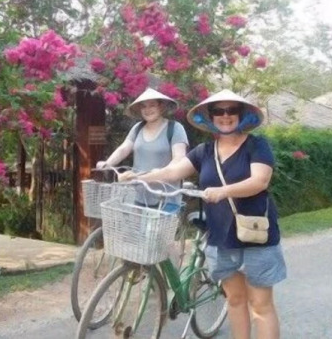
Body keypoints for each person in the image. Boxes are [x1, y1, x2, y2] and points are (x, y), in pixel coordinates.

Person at [119, 89, 286, 339]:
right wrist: (140, 176)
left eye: (232, 110)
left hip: (255, 236)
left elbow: (260, 181)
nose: (225, 116)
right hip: (220, 238)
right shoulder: (204, 151)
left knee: (261, 306)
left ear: (241, 115)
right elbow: (172, 172)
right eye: (219, 111)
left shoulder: (257, 145)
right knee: (235, 300)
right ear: (211, 117)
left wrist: (223, 191)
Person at [96, 87, 189, 208]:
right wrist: (108, 163)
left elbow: (179, 159)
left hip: (166, 198)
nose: (147, 110)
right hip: (139, 195)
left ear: (161, 107)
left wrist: (161, 173)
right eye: (143, 106)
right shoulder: (137, 128)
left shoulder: (175, 128)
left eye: (152, 105)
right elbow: (124, 148)